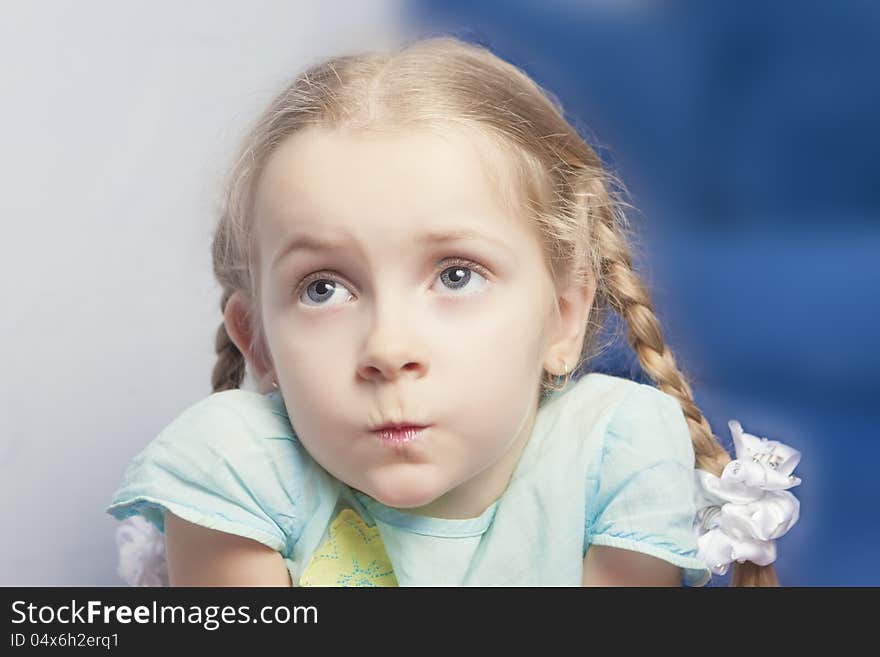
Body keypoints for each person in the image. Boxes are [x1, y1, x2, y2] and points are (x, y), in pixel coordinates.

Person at [107, 35, 801, 587]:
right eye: (323, 287)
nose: (387, 347)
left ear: (562, 317)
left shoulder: (615, 449)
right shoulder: (231, 464)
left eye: (456, 274)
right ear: (258, 344)